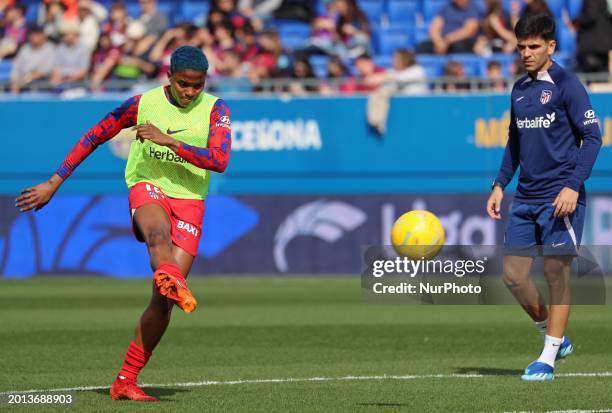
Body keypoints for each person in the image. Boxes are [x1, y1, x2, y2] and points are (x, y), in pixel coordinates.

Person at [15, 46, 232, 401]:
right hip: (147, 186)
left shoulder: (216, 109)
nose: (190, 91)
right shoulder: (142, 104)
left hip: (191, 200)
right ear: (169, 77)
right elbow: (95, 135)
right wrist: (55, 181)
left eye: (197, 85)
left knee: (162, 302)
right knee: (158, 234)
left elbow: (220, 159)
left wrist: (170, 141)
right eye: (183, 84)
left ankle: (125, 380)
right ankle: (170, 277)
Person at [486, 13, 602, 381]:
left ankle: (548, 359)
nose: (526, 53)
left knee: (556, 272)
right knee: (513, 277)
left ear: (551, 46)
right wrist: (500, 183)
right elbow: (514, 142)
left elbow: (593, 138)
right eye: (521, 47)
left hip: (560, 197)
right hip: (525, 197)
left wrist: (572, 185)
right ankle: (554, 336)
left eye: (534, 46)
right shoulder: (519, 88)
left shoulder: (568, 84)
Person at [416, 0, 481, 55]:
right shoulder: (447, 7)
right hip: (441, 40)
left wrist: (447, 40)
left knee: (458, 47)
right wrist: (438, 41)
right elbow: (435, 26)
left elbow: (469, 31)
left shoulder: (473, 9)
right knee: (422, 47)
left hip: (460, 42)